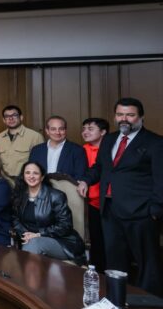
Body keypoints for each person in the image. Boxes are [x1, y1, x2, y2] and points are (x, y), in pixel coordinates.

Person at [81, 97, 162, 296]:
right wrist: (85, 181)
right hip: (110, 210)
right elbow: (100, 167)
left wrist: (155, 210)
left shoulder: (155, 142)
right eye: (120, 114)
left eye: (130, 115)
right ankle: (117, 300)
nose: (124, 119)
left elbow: (161, 179)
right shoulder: (109, 139)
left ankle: (148, 305)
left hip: (141, 212)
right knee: (115, 261)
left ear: (141, 117)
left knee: (147, 264)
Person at [12, 161, 85, 263]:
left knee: (33, 244)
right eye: (27, 173)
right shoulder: (19, 195)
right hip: (30, 240)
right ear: (23, 176)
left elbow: (65, 226)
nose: (31, 176)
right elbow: (15, 219)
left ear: (42, 177)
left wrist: (38, 234)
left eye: (35, 173)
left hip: (61, 242)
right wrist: (25, 234)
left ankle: (26, 279)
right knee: (30, 244)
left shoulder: (56, 196)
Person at [81, 117, 108, 272]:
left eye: (90, 129)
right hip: (89, 202)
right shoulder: (82, 150)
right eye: (84, 128)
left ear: (103, 132)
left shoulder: (112, 149)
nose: (85, 132)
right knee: (95, 241)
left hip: (109, 202)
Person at [28, 116, 87, 181]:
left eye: (61, 129)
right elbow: (30, 172)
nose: (57, 132)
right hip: (41, 189)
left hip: (66, 190)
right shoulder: (36, 150)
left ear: (65, 130)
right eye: (53, 129)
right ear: (47, 131)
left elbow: (80, 176)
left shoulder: (78, 150)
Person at [0, 105, 44, 177]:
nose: (11, 118)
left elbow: (41, 163)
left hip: (25, 181)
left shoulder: (35, 137)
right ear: (4, 120)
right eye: (7, 116)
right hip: (4, 181)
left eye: (14, 115)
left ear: (21, 117)